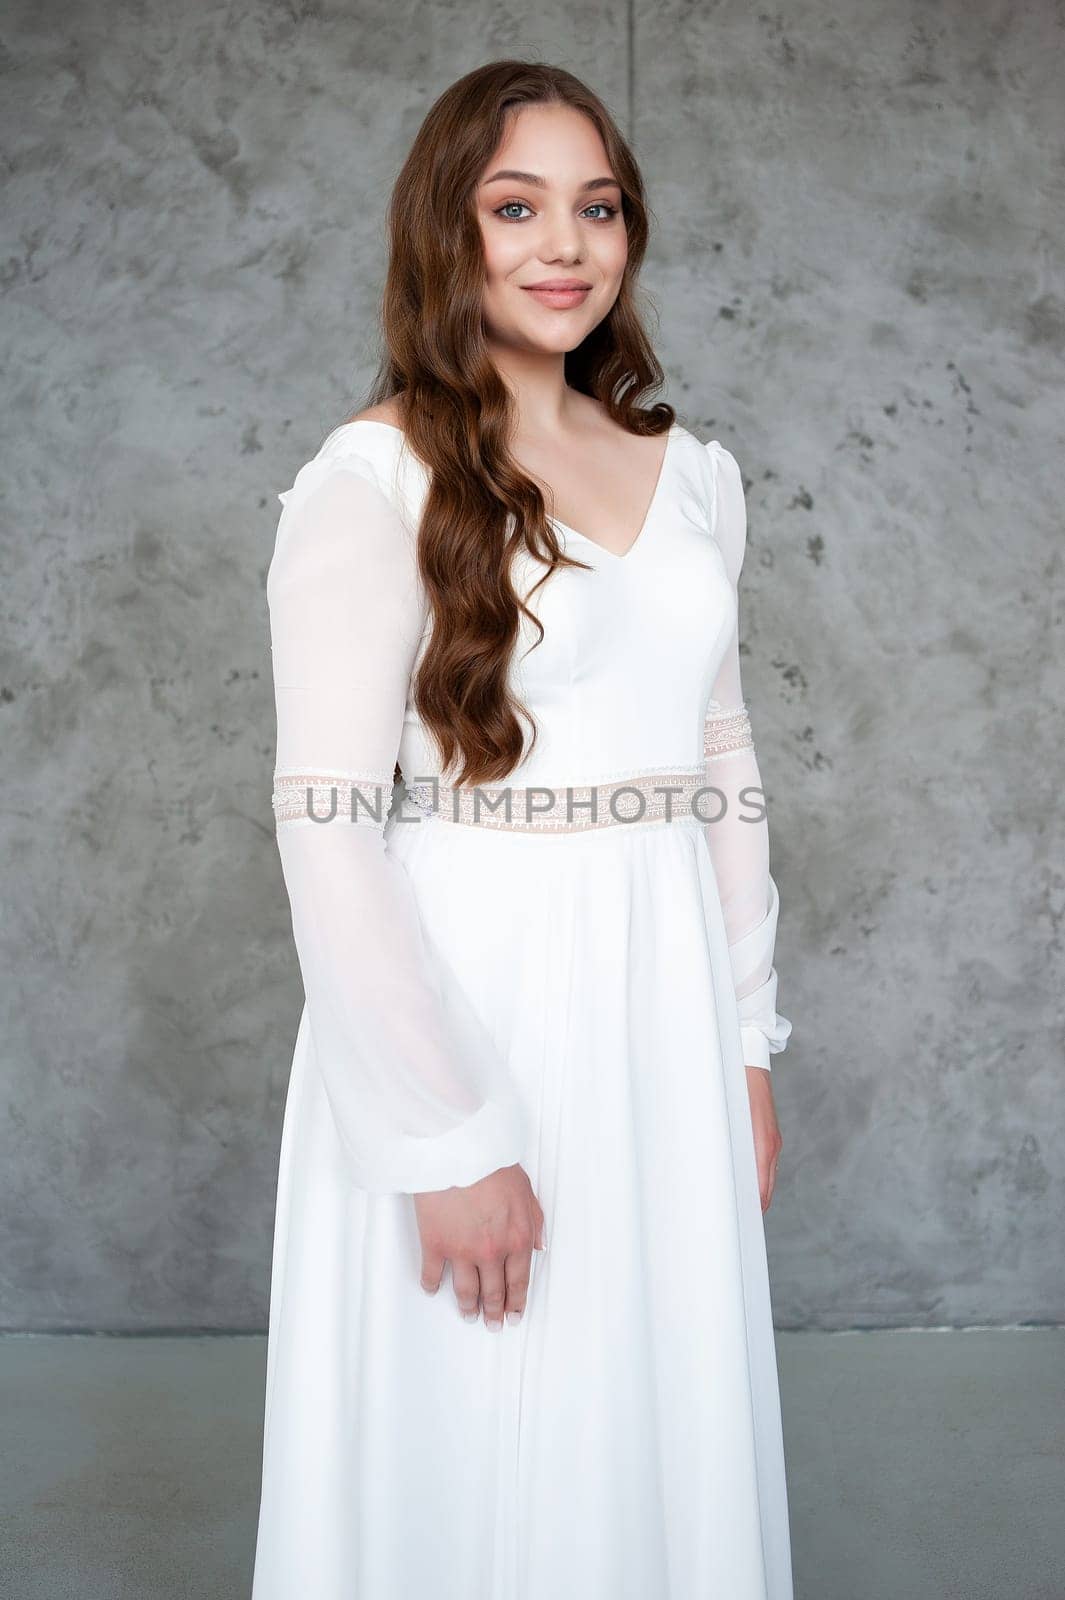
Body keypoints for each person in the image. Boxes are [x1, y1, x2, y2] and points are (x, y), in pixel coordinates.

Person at [252, 57, 794, 1600]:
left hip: (662, 1001)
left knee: (648, 1393)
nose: (565, 244)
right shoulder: (373, 479)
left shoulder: (691, 475)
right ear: (449, 229)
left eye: (597, 206)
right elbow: (327, 828)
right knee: (476, 1413)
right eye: (516, 206)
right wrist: (444, 1136)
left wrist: (744, 1038)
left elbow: (719, 751)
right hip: (463, 996)